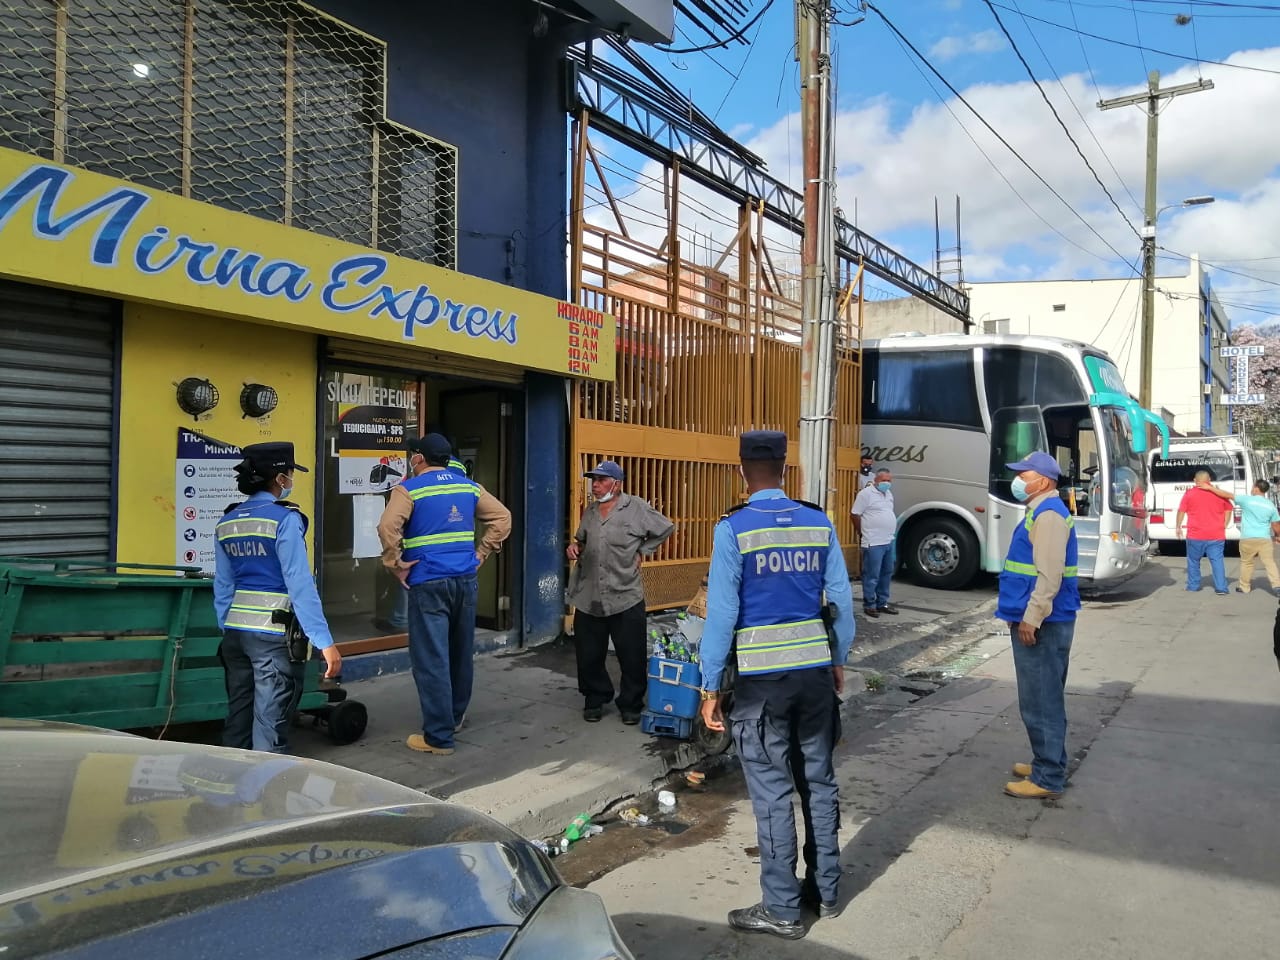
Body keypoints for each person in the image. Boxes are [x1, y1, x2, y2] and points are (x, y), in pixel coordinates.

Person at [698, 431, 855, 940]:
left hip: (762, 686)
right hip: (814, 676)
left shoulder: (733, 529)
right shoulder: (817, 521)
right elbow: (841, 603)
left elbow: (721, 613)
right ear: (785, 470)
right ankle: (827, 893)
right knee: (819, 782)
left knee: (772, 793)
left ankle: (783, 910)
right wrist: (837, 659)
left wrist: (708, 685)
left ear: (742, 471)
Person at [377, 434, 511, 755]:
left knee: (431, 657)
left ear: (420, 458)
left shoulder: (408, 489)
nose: (412, 458)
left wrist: (396, 563)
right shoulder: (469, 487)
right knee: (460, 650)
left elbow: (387, 527)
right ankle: (453, 716)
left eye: (414, 454)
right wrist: (481, 554)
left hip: (429, 581)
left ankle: (438, 737)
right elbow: (503, 518)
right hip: (464, 580)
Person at [214, 441, 341, 754]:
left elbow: (223, 586)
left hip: (235, 636)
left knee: (239, 719)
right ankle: (264, 798)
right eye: (289, 473)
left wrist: (227, 627)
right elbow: (299, 584)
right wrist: (324, 642)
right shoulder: (285, 520)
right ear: (279, 479)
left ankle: (234, 787)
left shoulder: (227, 521)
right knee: (270, 728)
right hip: (273, 640)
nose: (290, 480)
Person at [995, 451, 1079, 800]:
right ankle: (1048, 761)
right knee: (1045, 697)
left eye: (1024, 474)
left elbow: (1049, 575)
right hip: (1046, 618)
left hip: (1042, 621)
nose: (1018, 480)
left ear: (1042, 480)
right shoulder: (1043, 512)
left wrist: (1032, 618)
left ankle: (1047, 776)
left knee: (1040, 700)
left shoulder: (1047, 516)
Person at [567, 460, 674, 724]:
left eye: (602, 480)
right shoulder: (591, 511)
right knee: (589, 652)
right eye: (594, 480)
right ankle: (595, 697)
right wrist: (574, 547)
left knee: (631, 654)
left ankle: (631, 704)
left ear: (616, 483)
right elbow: (582, 540)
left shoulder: (636, 507)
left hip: (625, 594)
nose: (595, 485)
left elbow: (666, 527)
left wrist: (643, 551)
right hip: (589, 592)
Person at [1195, 479, 1280, 595]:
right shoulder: (1271, 506)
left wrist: (1210, 488)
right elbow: (1275, 524)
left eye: (1253, 486)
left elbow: (1227, 495)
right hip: (1264, 539)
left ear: (1256, 488)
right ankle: (1277, 586)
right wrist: (1277, 536)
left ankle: (1244, 587)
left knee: (1246, 562)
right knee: (1269, 563)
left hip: (1247, 538)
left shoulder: (1247, 500)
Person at [1174, 469, 1232, 594]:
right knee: (1217, 561)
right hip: (1216, 534)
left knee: (1193, 561)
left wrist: (1178, 526)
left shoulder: (1189, 494)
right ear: (1209, 480)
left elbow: (1181, 511)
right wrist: (1224, 524)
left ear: (1195, 480)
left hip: (1195, 534)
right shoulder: (1218, 493)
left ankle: (1193, 586)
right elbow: (1228, 509)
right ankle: (1221, 588)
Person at [852, 468, 898, 619]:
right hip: (873, 541)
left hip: (888, 540)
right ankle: (870, 604)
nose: (886, 483)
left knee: (887, 572)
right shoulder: (866, 494)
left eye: (889, 481)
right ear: (876, 480)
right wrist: (862, 532)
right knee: (872, 574)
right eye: (884, 480)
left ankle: (882, 602)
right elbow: (854, 514)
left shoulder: (889, 494)